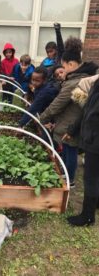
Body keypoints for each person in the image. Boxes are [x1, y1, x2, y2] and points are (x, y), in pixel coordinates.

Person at [40, 37, 98, 188]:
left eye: (64, 67)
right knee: (67, 150)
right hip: (71, 123)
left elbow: (57, 105)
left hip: (72, 125)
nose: (63, 71)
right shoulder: (82, 77)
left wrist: (42, 118)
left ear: (71, 64)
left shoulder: (75, 83)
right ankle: (66, 173)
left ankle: (69, 180)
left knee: (70, 151)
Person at [63, 77, 99, 226]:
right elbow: (86, 109)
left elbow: (92, 114)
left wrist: (88, 134)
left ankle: (87, 216)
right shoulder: (97, 83)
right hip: (93, 137)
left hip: (96, 140)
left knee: (91, 178)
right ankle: (96, 202)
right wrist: (73, 129)